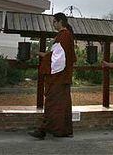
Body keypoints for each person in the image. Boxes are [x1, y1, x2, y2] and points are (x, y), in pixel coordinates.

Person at [28, 12, 77, 140]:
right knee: (63, 104)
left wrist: (47, 67)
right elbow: (56, 55)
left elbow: (59, 61)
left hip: (58, 77)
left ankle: (43, 130)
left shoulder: (64, 35)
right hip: (62, 77)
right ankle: (63, 130)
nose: (53, 24)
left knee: (52, 104)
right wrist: (41, 54)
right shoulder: (65, 36)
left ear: (60, 21)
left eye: (54, 22)